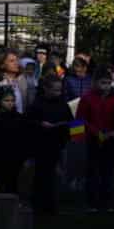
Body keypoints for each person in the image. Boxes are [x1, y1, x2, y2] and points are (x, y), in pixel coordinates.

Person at [25, 71, 74, 214]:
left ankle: (51, 204)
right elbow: (28, 122)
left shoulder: (62, 104)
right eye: (55, 90)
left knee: (54, 176)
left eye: (60, 90)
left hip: (57, 143)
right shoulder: (37, 104)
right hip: (41, 145)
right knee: (41, 175)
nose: (58, 93)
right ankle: (39, 203)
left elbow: (70, 121)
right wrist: (40, 124)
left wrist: (64, 127)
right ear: (46, 88)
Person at [77, 75, 114, 213]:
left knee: (108, 172)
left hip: (110, 139)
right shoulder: (87, 98)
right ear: (95, 82)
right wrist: (90, 133)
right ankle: (91, 202)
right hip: (92, 139)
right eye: (103, 82)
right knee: (92, 171)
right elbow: (80, 119)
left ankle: (106, 201)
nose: (106, 86)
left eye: (109, 83)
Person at [0, 85, 29, 196]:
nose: (10, 103)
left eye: (12, 100)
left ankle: (10, 208)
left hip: (15, 158)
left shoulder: (19, 118)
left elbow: (24, 139)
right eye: (6, 100)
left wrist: (25, 157)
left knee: (12, 185)